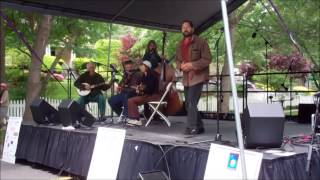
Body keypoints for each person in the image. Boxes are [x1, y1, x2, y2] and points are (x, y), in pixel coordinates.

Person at [175, 20, 212, 135]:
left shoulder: (201, 42)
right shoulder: (179, 44)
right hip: (186, 78)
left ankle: (192, 127)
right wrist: (180, 66)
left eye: (187, 27)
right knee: (188, 104)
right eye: (183, 27)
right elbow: (177, 60)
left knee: (191, 102)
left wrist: (192, 65)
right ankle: (199, 126)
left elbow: (207, 59)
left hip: (198, 76)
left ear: (192, 29)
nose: (185, 29)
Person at [126, 61, 161, 126]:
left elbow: (150, 89)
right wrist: (138, 88)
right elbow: (143, 86)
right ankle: (133, 118)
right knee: (130, 98)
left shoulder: (152, 75)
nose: (140, 68)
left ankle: (136, 119)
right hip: (147, 95)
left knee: (131, 100)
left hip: (153, 96)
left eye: (141, 66)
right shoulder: (145, 75)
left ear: (146, 67)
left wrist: (141, 89)